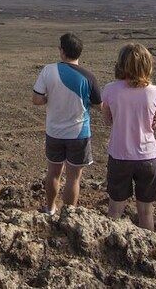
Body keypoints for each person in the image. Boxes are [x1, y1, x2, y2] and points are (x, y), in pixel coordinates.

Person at [32, 32, 101, 216]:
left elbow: (37, 100)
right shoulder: (89, 77)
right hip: (79, 134)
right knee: (73, 178)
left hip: (54, 132)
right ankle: (68, 216)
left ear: (62, 51)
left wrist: (49, 97)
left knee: (53, 172)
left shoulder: (48, 70)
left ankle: (50, 209)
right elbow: (99, 105)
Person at [100, 43, 156, 231]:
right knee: (146, 212)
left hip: (120, 156)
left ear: (121, 64)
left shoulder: (111, 89)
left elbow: (107, 119)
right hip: (148, 157)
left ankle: (112, 245)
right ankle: (148, 247)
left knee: (115, 210)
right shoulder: (155, 91)